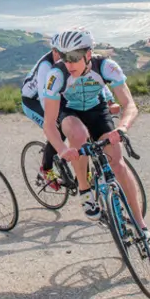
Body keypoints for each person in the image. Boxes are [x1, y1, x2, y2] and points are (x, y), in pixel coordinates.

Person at [41, 27, 150, 254]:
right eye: (64, 56)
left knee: (118, 163)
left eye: (74, 57)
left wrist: (122, 128)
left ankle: (142, 228)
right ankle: (85, 190)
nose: (69, 63)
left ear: (88, 53)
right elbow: (49, 124)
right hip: (69, 111)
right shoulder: (56, 75)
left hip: (97, 109)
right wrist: (62, 150)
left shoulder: (106, 67)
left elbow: (130, 106)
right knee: (78, 135)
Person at [21, 33, 120, 191]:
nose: (64, 58)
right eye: (60, 54)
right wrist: (58, 121)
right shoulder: (46, 68)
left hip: (55, 97)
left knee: (79, 128)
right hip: (33, 101)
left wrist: (109, 100)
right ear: (54, 52)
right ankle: (46, 169)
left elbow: (94, 82)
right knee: (59, 129)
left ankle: (83, 171)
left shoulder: (70, 66)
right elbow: (44, 99)